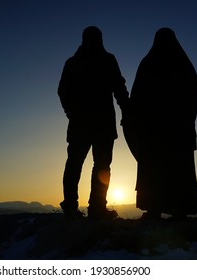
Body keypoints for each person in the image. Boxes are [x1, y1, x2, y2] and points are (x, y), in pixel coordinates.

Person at [127, 27, 197, 219]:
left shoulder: (149, 63)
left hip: (154, 130)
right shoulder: (184, 65)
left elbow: (137, 95)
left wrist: (133, 117)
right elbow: (193, 92)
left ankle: (154, 209)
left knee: (153, 169)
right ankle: (181, 209)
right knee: (179, 168)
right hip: (179, 130)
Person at [57, 26, 129, 220]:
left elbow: (63, 91)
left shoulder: (74, 62)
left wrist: (72, 113)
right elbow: (119, 88)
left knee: (79, 164)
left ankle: (76, 207)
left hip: (86, 122)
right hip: (99, 122)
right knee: (97, 165)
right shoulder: (106, 59)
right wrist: (126, 109)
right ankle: (95, 208)